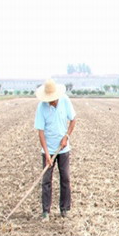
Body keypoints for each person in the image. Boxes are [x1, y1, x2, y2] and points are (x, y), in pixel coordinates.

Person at [34, 78, 77, 220]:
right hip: (48, 149)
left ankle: (64, 209)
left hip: (63, 149)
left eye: (52, 99)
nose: (50, 102)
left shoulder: (65, 101)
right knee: (46, 180)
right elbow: (41, 132)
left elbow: (73, 120)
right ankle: (46, 211)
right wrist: (47, 154)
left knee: (65, 178)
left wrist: (66, 136)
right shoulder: (42, 107)